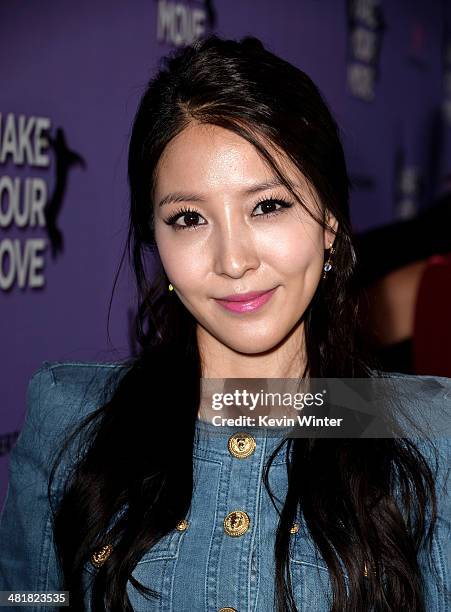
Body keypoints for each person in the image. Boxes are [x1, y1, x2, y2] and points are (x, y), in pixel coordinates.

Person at [0, 35, 450, 612]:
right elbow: (28, 597)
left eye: (268, 205)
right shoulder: (72, 413)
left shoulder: (426, 432)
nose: (233, 261)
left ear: (330, 223)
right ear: (154, 238)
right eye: (188, 218)